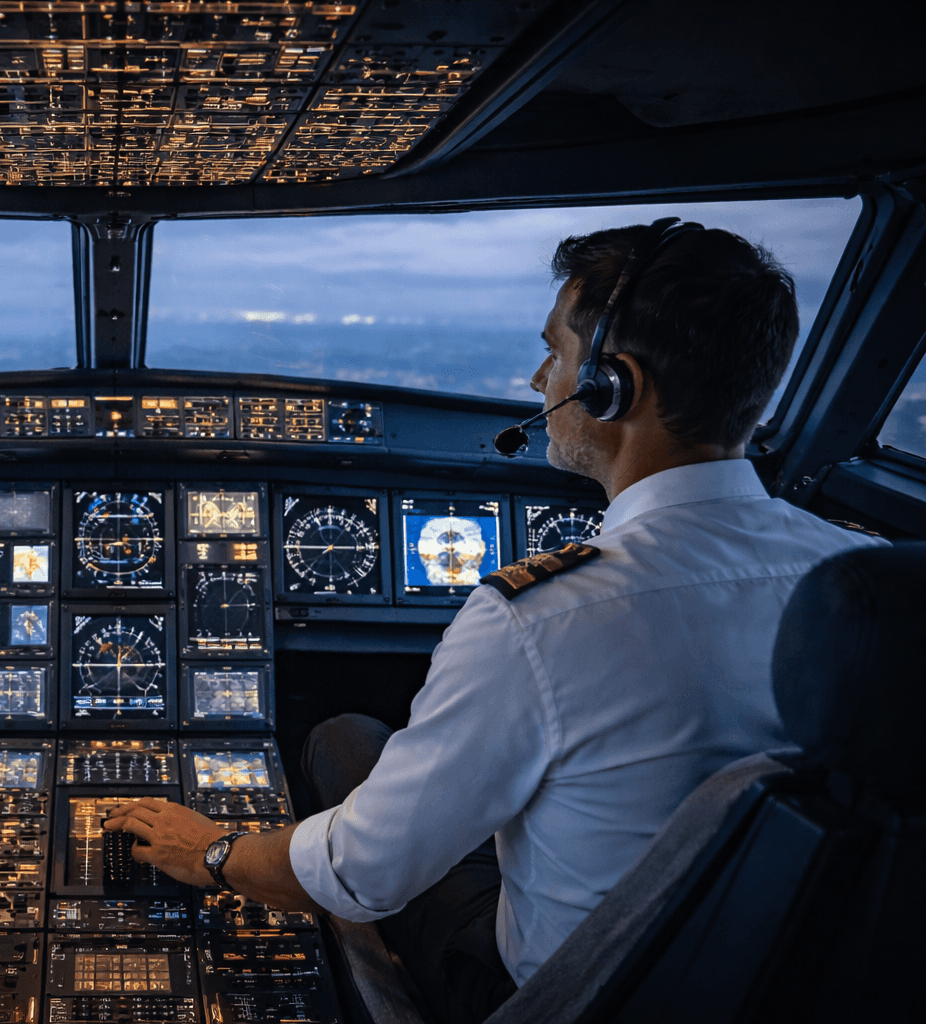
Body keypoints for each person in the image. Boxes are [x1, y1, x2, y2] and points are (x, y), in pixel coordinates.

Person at [105, 222, 889, 1024]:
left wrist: (209, 852)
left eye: (555, 352)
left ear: (613, 386)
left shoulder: (545, 618)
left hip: (564, 993)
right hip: (797, 977)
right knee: (355, 743)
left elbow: (360, 874)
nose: (538, 376)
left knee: (342, 743)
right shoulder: (876, 587)